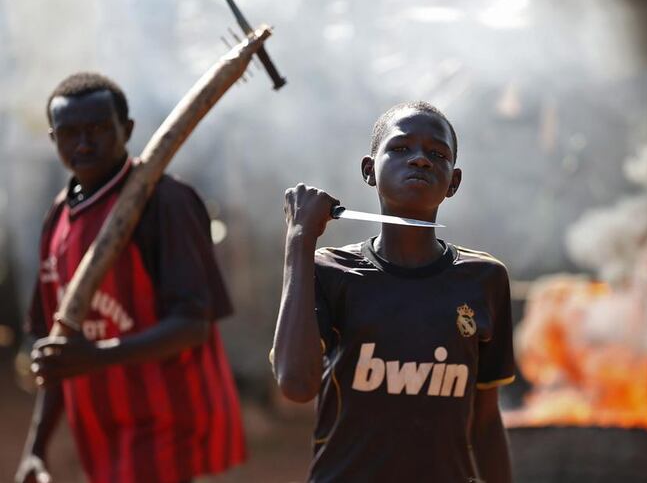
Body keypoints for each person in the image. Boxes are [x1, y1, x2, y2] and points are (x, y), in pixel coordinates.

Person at [16, 72, 246, 483]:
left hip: (169, 429)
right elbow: (58, 352)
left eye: (100, 129)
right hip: (102, 435)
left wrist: (97, 355)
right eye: (69, 133)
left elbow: (192, 325)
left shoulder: (164, 202)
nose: (84, 143)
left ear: (128, 129)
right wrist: (36, 447)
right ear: (53, 139)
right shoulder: (58, 218)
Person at [273, 101, 515, 482]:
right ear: (369, 170)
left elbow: (484, 421)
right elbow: (297, 385)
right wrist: (299, 239)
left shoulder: (484, 279)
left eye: (437, 153)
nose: (420, 160)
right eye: (401, 148)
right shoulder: (330, 271)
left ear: (454, 181)